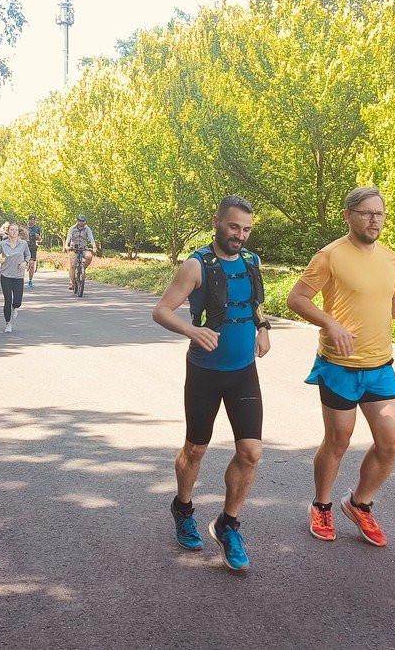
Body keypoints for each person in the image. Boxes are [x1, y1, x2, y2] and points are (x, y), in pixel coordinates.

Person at [286, 187, 395, 548]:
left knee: (391, 444)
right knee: (338, 440)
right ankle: (322, 504)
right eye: (366, 213)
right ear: (348, 215)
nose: (375, 220)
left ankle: (359, 503)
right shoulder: (329, 256)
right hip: (339, 366)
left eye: (380, 213)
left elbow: (391, 297)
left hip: (380, 366)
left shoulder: (391, 258)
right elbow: (296, 298)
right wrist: (330, 324)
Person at [151, 196, 270, 571]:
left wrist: (263, 328)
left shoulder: (252, 261)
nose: (240, 235)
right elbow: (162, 310)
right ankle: (183, 508)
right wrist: (191, 330)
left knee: (251, 452)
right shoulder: (196, 265)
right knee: (196, 449)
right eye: (234, 227)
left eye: (246, 229)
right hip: (205, 372)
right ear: (217, 221)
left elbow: (256, 303)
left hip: (243, 371)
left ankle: (228, 525)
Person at [0, 223, 32, 333]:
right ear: (8, 232)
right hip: (6, 275)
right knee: (7, 300)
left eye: (16, 230)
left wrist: (25, 262)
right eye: (12, 230)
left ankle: (15, 308)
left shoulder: (23, 244)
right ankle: (8, 324)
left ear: (18, 232)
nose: (14, 232)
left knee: (17, 301)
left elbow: (28, 255)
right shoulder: (2, 244)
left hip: (18, 275)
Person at [65, 214, 97, 291]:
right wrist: (66, 245)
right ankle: (71, 283)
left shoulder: (87, 229)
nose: (82, 223)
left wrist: (94, 247)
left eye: (83, 221)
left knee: (89, 256)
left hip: (83, 248)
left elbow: (91, 238)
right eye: (80, 221)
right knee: (72, 264)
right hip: (74, 248)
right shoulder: (72, 228)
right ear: (77, 221)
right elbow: (68, 237)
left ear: (85, 221)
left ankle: (82, 270)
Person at [26, 216, 42, 287]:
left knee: (32, 264)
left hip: (33, 247)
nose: (32, 222)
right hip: (24, 247)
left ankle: (30, 280)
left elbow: (39, 239)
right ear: (28, 220)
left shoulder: (37, 228)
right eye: (31, 220)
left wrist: (38, 237)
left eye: (34, 221)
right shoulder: (24, 227)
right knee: (21, 265)